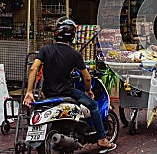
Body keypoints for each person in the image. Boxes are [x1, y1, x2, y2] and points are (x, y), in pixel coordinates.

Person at [23, 17, 116, 150]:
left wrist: (29, 91)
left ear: (56, 33)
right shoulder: (74, 54)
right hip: (67, 92)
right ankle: (102, 139)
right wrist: (88, 90)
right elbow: (87, 78)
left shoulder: (45, 49)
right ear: (72, 36)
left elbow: (33, 69)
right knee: (94, 105)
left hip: (48, 92)